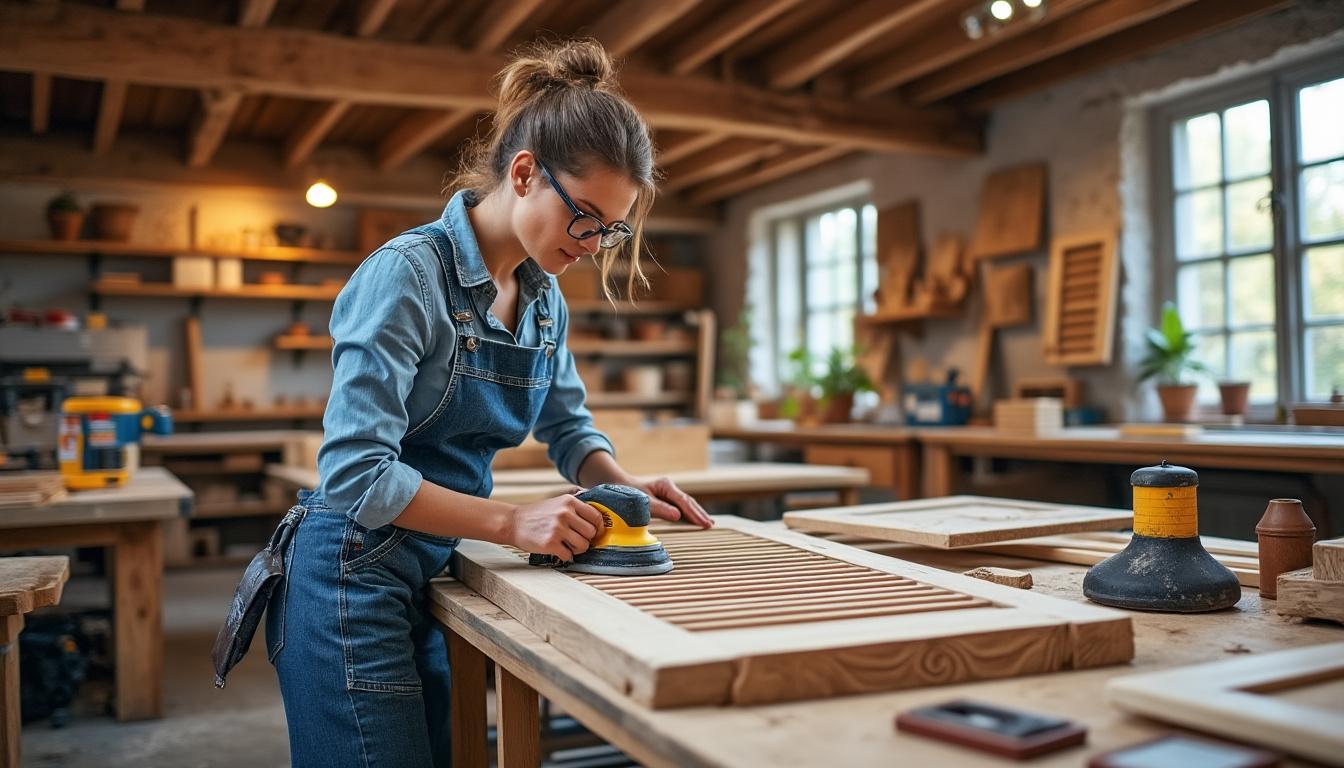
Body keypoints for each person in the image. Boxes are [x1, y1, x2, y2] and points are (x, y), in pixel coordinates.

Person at [265, 38, 713, 767]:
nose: (596, 244)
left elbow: (568, 427)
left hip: (438, 570)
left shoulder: (543, 299)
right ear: (526, 173)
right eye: (586, 218)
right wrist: (510, 520)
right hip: (349, 579)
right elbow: (353, 473)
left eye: (612, 228)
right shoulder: (407, 276)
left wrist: (622, 486)